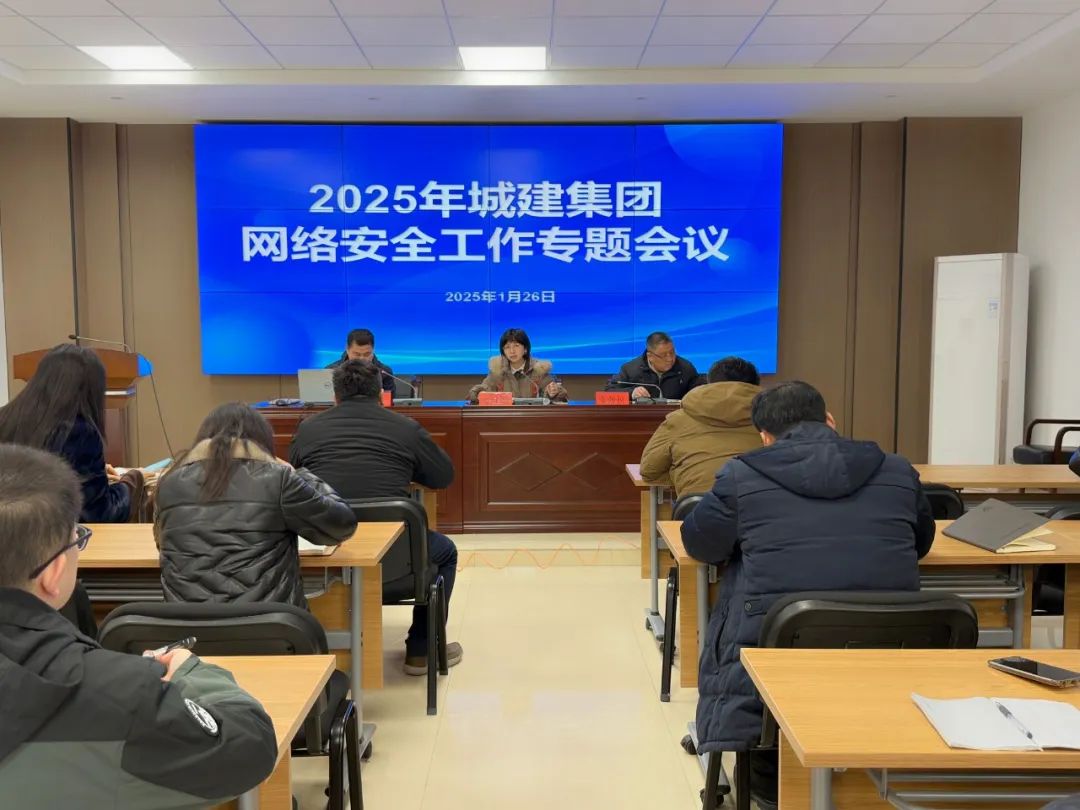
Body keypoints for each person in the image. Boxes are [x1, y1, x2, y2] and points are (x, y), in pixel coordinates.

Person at [680, 381, 936, 806]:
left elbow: (702, 544)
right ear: (830, 420)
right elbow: (920, 542)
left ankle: (769, 780)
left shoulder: (741, 474)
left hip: (779, 646)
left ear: (764, 436)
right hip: (891, 644)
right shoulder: (897, 469)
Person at [0, 443, 278, 806]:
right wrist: (194, 674)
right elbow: (247, 747)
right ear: (53, 572)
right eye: (76, 540)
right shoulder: (120, 695)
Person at [290, 360, 463, 675]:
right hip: (396, 564)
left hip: (327, 555)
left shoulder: (308, 429)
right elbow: (443, 476)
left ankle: (314, 647)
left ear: (335, 395)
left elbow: (295, 481)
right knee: (446, 552)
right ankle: (421, 651)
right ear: (380, 394)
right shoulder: (405, 428)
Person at [155, 402, 357, 608]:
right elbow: (341, 526)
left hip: (188, 622)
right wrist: (299, 473)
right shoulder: (278, 478)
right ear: (261, 440)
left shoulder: (169, 484)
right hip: (270, 620)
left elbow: (162, 543)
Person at [0, 343, 143, 523]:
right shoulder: (80, 432)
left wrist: (96, 471)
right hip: (45, 535)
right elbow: (100, 514)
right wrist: (131, 481)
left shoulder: (5, 418)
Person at [639, 356, 762, 498]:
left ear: (709, 384)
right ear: (754, 386)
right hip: (761, 505)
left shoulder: (678, 420)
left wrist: (683, 472)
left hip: (697, 506)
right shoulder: (772, 420)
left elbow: (649, 471)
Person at [467, 327, 568, 403]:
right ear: (503, 352)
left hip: (532, 420)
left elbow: (558, 396)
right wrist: (478, 393)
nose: (512, 351)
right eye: (507, 347)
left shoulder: (538, 370)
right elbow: (483, 389)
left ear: (525, 349)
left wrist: (553, 392)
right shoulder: (498, 371)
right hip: (504, 420)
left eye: (516, 345)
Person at [605, 331, 701, 401]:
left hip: (675, 418)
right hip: (642, 419)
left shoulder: (685, 367)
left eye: (672, 353)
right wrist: (631, 393)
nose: (670, 359)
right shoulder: (630, 369)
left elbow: (701, 392)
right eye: (663, 355)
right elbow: (607, 393)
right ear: (650, 356)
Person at [325, 327, 395, 393]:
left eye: (367, 354)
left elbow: (390, 400)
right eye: (357, 354)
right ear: (347, 349)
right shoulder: (331, 371)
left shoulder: (385, 373)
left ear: (373, 350)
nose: (362, 359)